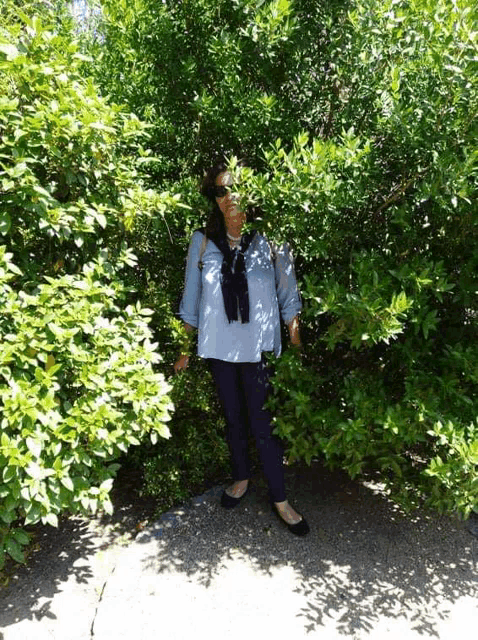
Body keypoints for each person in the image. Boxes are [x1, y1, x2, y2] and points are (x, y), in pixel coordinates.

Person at [174, 159, 309, 536]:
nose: (228, 196)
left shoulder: (273, 238)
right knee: (233, 419)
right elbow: (191, 299)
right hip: (219, 348)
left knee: (264, 424)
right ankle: (240, 479)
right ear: (214, 199)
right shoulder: (201, 241)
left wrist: (297, 351)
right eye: (220, 190)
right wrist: (184, 349)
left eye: (234, 187)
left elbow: (289, 296)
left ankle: (280, 497)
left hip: (258, 350)